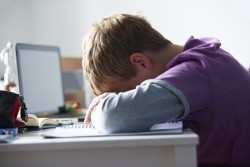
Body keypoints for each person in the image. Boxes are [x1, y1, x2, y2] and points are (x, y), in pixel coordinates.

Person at [82, 13, 250, 166]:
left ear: (141, 62)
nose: (129, 97)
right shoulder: (205, 57)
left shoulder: (195, 72)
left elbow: (113, 116)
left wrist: (100, 107)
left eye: (126, 93)